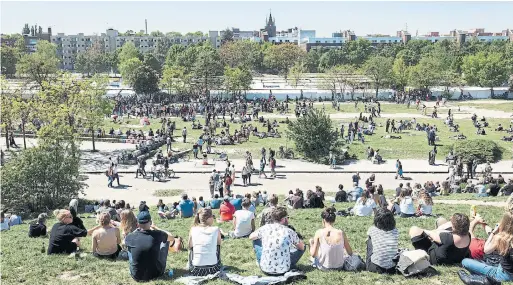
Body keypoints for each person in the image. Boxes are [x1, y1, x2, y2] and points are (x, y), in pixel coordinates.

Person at [459, 212, 513, 284]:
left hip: (504, 274)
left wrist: (493, 232)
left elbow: (486, 250)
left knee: (465, 261)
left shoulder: (502, 238)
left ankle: (481, 279)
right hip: (507, 269)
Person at [249, 206, 305, 275]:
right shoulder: (289, 231)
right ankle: (288, 262)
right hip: (284, 269)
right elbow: (301, 248)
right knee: (302, 246)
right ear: (283, 219)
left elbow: (251, 237)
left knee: (256, 240)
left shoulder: (265, 228)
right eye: (287, 217)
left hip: (265, 268)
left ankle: (261, 260)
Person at [125, 211, 177, 282]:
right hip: (156, 274)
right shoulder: (158, 234)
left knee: (130, 248)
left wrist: (136, 230)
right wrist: (155, 227)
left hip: (136, 275)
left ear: (137, 223)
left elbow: (123, 243)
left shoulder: (130, 236)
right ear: (150, 222)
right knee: (166, 240)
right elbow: (171, 237)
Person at [188, 208, 222, 276]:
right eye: (212, 216)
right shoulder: (216, 229)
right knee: (217, 246)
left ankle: (192, 263)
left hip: (196, 270)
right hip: (213, 269)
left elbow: (189, 245)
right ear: (208, 218)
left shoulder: (193, 229)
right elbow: (219, 244)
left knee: (191, 248)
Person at [366, 208, 399, 274]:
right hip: (392, 268)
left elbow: (368, 238)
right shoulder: (395, 230)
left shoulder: (372, 229)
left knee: (369, 240)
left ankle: (368, 262)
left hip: (375, 267)